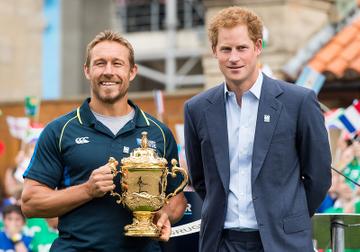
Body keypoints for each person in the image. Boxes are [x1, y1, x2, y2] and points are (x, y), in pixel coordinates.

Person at [21, 30, 187, 251]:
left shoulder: (158, 132)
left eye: (117, 64)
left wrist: (164, 215)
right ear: (87, 71)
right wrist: (87, 190)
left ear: (132, 71)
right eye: (100, 63)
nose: (108, 72)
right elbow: (31, 203)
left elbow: (177, 198)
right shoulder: (60, 130)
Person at [184, 6, 332, 252]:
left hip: (282, 242)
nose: (234, 58)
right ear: (214, 51)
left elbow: (319, 176)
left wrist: (288, 216)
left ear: (257, 47)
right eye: (226, 49)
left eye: (241, 48)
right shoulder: (197, 109)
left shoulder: (298, 102)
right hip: (221, 242)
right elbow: (201, 179)